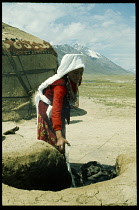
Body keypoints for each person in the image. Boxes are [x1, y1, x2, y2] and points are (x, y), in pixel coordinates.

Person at [35, 54, 85, 154]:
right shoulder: (60, 86)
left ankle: (59, 155)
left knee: (59, 131)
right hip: (47, 109)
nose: (78, 76)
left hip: (56, 108)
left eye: (81, 73)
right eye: (75, 73)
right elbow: (56, 110)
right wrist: (59, 136)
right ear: (68, 71)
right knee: (52, 138)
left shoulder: (69, 80)